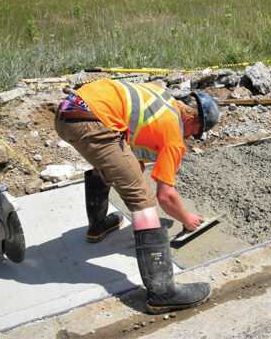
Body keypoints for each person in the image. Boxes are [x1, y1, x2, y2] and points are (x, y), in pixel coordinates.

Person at [54, 79, 220, 313]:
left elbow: (129, 152)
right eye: (195, 133)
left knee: (108, 166)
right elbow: (165, 196)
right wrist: (186, 218)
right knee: (144, 199)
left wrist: (132, 172)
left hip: (68, 112)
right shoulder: (174, 132)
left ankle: (98, 226)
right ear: (191, 120)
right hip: (93, 120)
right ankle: (163, 292)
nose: (191, 138)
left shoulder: (160, 101)